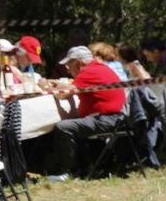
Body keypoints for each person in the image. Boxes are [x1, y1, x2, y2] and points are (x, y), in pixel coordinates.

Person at [33, 45, 127, 178]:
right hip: (115, 118)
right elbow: (72, 87)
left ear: (78, 63)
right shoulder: (98, 68)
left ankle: (66, 171)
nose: (67, 69)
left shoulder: (88, 73)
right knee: (73, 122)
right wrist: (53, 82)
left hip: (106, 119)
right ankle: (82, 165)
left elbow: (62, 95)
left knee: (63, 127)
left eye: (69, 65)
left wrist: (45, 86)